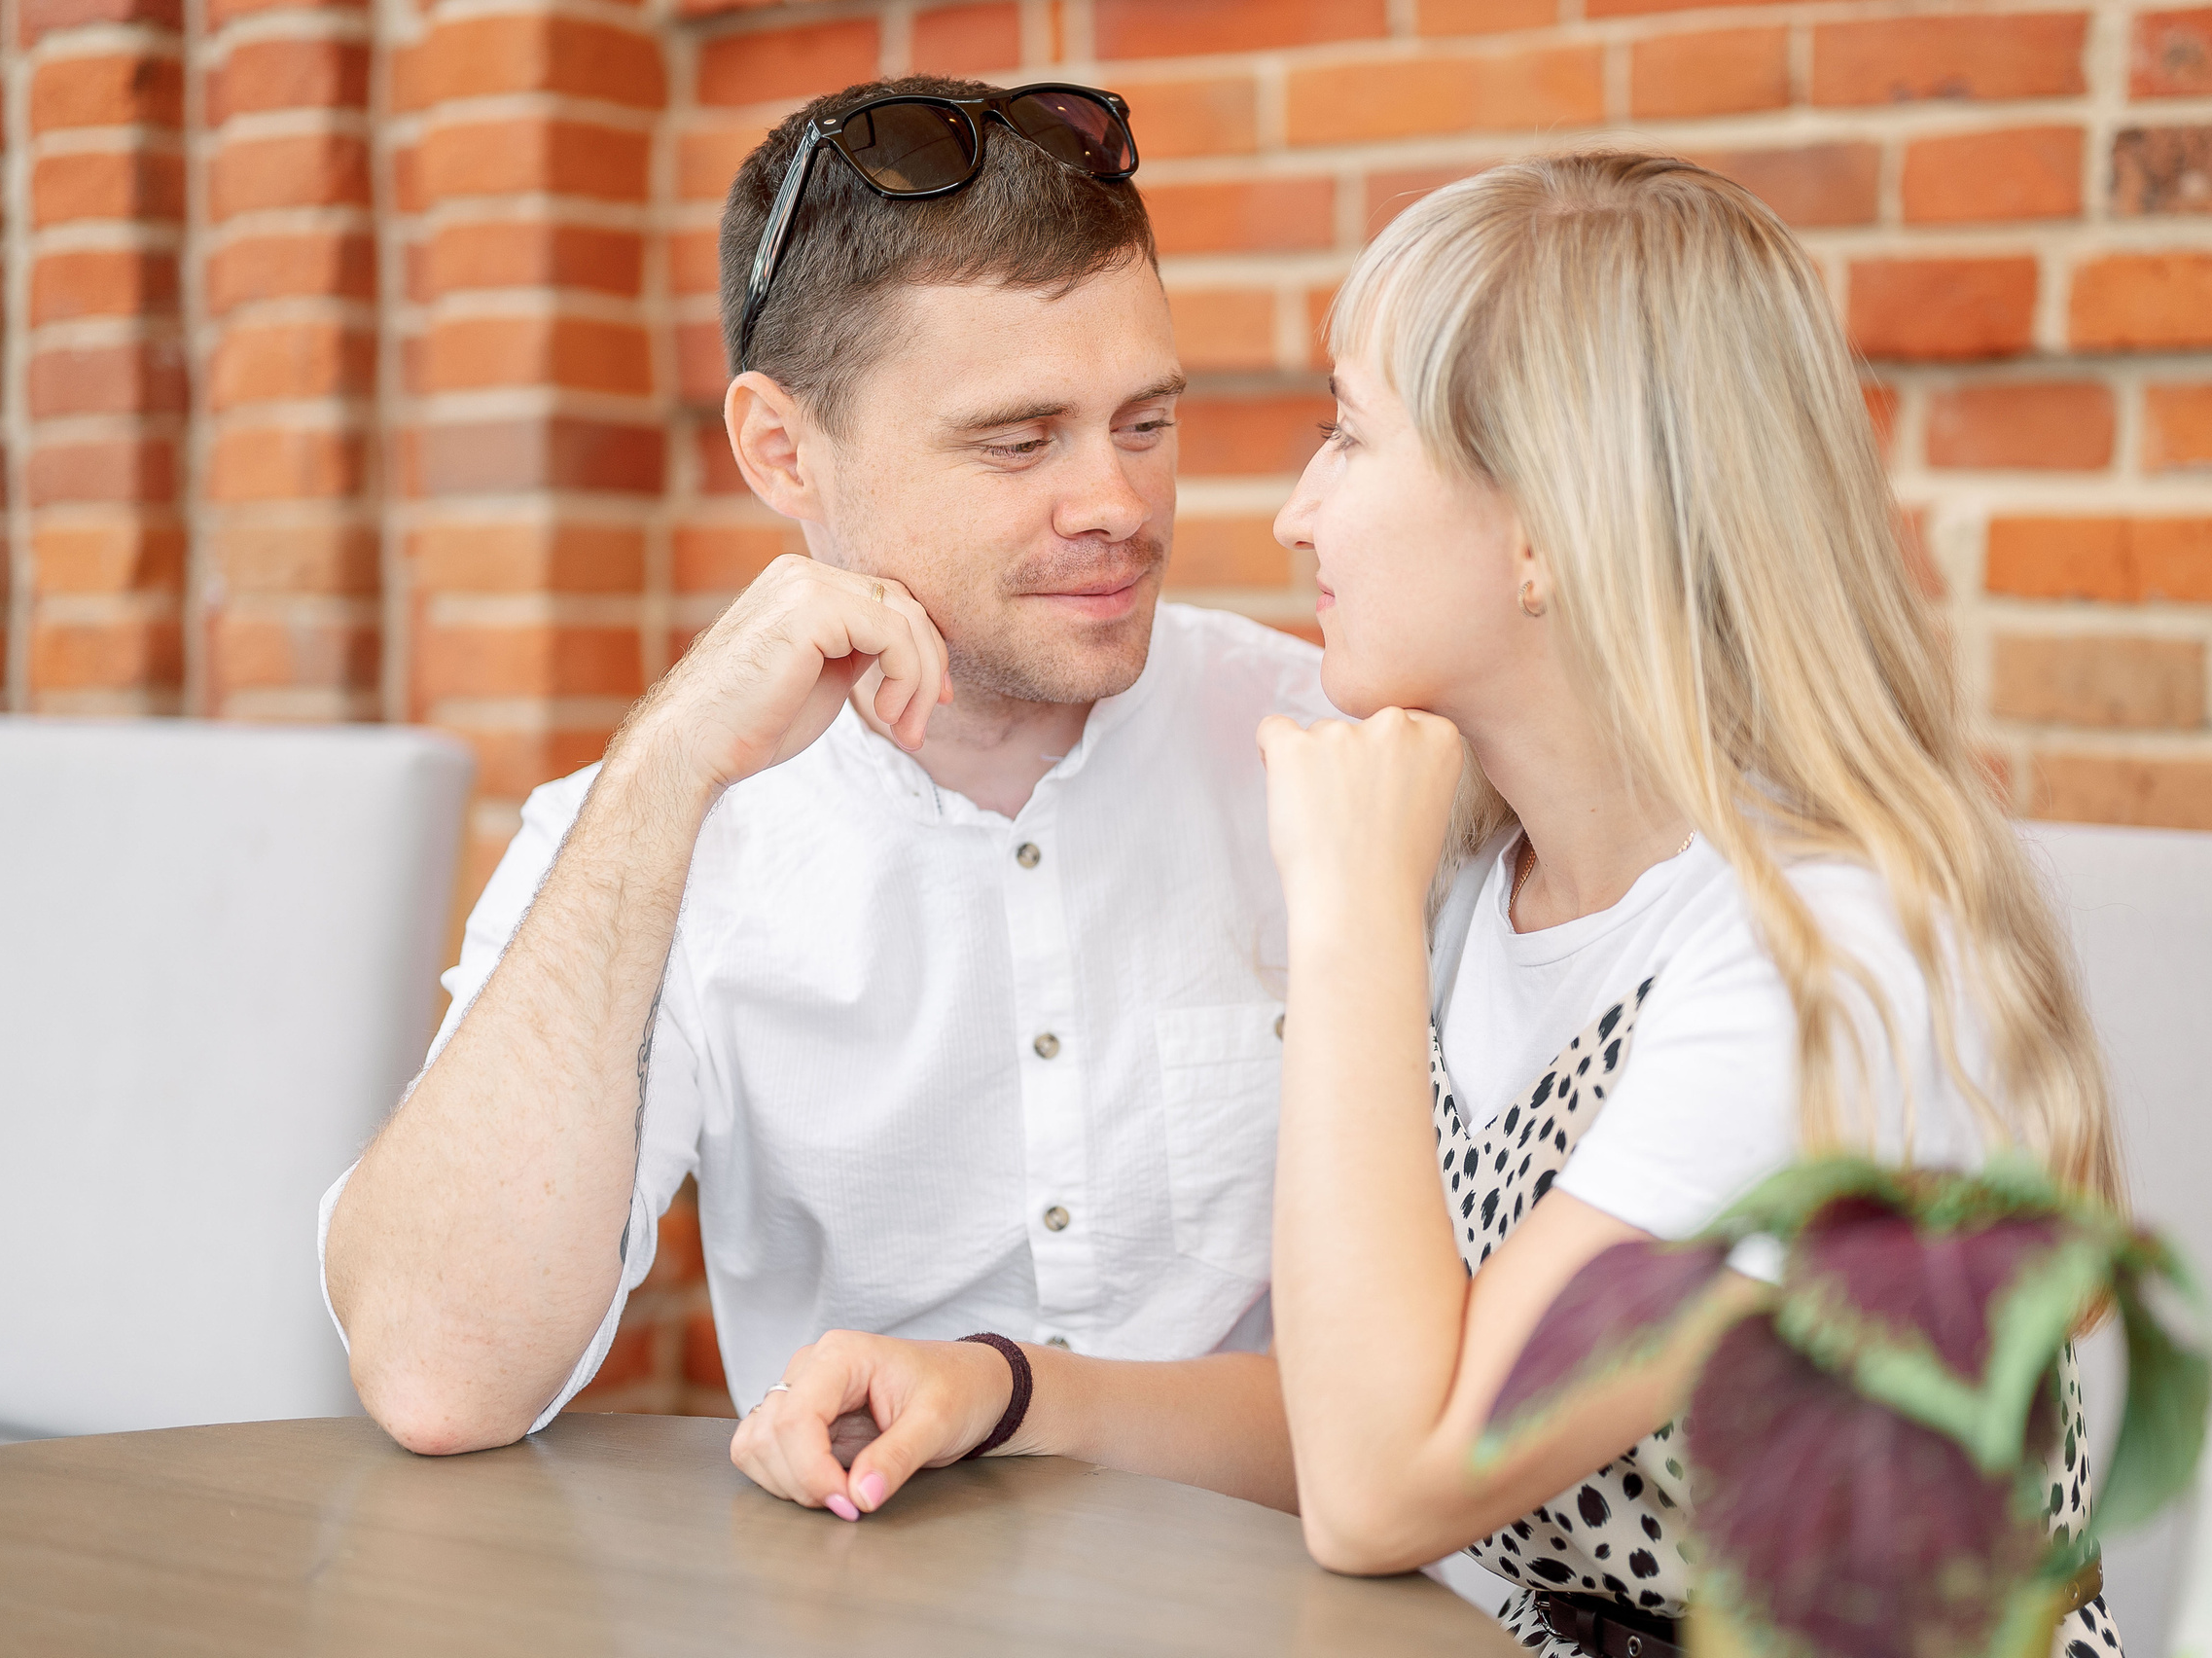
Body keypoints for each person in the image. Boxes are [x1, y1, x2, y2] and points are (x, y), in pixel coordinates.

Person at [743, 153, 2129, 1656]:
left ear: (1544, 523)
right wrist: (1009, 1389)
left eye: (1350, 437)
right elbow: (1369, 1390)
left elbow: (1384, 1488)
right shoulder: (1492, 872)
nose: (1292, 515)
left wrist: (1344, 914)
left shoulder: (1825, 958)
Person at [317, 73, 1330, 1496]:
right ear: (782, 450)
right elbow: (438, 1372)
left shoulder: (1327, 747)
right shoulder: (651, 836)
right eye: (1020, 438)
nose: (1116, 502)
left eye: (1146, 423)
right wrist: (664, 773)